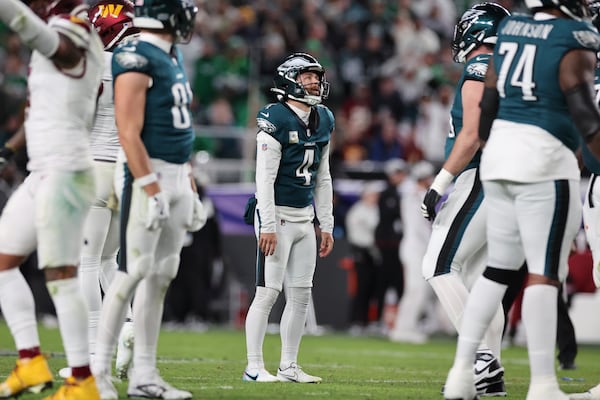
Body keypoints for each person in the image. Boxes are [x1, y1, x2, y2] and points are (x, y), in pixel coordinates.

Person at [442, 0, 600, 398]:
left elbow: (491, 105)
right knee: (544, 276)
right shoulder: (574, 37)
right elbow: (585, 116)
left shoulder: (510, 31)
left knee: (497, 270)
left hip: (498, 160)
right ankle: (543, 385)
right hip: (545, 159)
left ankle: (461, 376)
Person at [91, 0, 205, 399]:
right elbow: (128, 130)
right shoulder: (134, 54)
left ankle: (144, 374)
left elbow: (181, 125)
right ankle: (98, 374)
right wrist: (151, 185)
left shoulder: (168, 53)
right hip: (147, 173)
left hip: (175, 173)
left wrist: (187, 179)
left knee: (161, 277)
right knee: (130, 272)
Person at [0, 0, 103, 398]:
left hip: (66, 171)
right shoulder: (59, 25)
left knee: (60, 275)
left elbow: (62, 50)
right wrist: (8, 150)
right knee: (4, 261)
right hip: (41, 170)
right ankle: (30, 361)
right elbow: (38, 108)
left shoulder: (77, 25)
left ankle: (82, 379)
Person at [419, 3, 510, 397]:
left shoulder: (480, 65)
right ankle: (491, 368)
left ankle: (483, 359)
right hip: (511, 179)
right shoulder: (512, 67)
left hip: (483, 172)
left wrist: (440, 181)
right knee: (477, 278)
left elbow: (472, 134)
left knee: (438, 265)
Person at [56, 0, 140, 381]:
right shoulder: (140, 65)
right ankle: (129, 325)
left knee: (87, 264)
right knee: (111, 261)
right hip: (126, 172)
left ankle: (92, 351)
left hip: (93, 168)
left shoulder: (93, 66)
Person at [243, 52, 335, 383]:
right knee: (268, 292)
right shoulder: (276, 118)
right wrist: (267, 225)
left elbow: (323, 176)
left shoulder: (324, 118)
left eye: (315, 76)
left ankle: (288, 366)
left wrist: (326, 222)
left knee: (301, 294)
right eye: (306, 77)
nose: (314, 82)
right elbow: (263, 180)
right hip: (277, 214)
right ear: (289, 81)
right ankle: (254, 366)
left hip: (303, 216)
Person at [389, 160, 436, 344]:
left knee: (418, 290)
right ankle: (403, 328)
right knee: (416, 289)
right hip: (414, 248)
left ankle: (406, 327)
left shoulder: (414, 193)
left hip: (416, 247)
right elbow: (423, 227)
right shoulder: (414, 194)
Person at [373, 158, 407, 332]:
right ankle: (379, 320)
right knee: (384, 281)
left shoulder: (404, 192)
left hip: (399, 244)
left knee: (400, 283)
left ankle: (401, 320)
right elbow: (388, 215)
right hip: (387, 244)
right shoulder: (388, 193)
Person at [345, 182, 381, 334]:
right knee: (361, 288)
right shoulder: (358, 211)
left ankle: (370, 322)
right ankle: (357, 321)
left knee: (374, 289)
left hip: (375, 252)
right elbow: (357, 234)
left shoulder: (377, 209)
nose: (375, 197)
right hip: (362, 252)